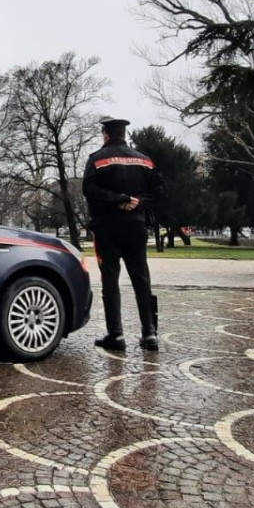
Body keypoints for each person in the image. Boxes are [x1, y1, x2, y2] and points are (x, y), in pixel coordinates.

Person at [82, 116, 167, 352]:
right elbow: (161, 191)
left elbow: (88, 189)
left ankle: (116, 335)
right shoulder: (144, 160)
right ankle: (149, 334)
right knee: (141, 279)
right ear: (124, 134)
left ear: (106, 135)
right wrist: (138, 202)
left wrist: (116, 199)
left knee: (110, 280)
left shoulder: (97, 159)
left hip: (107, 226)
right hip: (136, 225)